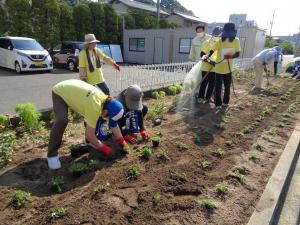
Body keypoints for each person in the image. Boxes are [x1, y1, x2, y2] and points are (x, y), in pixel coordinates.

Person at [47, 79, 128, 170]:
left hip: (75, 89)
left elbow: (114, 125)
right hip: (61, 91)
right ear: (106, 111)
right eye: (108, 116)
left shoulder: (106, 101)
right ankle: (52, 154)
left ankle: (91, 143)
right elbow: (89, 135)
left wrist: (121, 140)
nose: (107, 119)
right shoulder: (95, 106)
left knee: (93, 118)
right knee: (62, 120)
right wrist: (103, 147)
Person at [203, 23, 241, 110]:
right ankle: (218, 104)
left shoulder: (236, 41)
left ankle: (225, 102)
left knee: (227, 87)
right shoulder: (220, 41)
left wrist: (230, 56)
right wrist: (206, 56)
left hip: (228, 68)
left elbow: (238, 54)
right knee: (218, 88)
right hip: (219, 68)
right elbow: (212, 50)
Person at [197, 26, 223, 104]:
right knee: (204, 83)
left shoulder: (221, 44)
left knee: (212, 84)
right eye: (215, 35)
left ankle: (208, 98)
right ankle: (200, 97)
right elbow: (202, 54)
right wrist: (210, 61)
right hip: (206, 67)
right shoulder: (207, 43)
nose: (216, 37)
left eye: (218, 36)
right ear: (212, 35)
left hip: (216, 68)